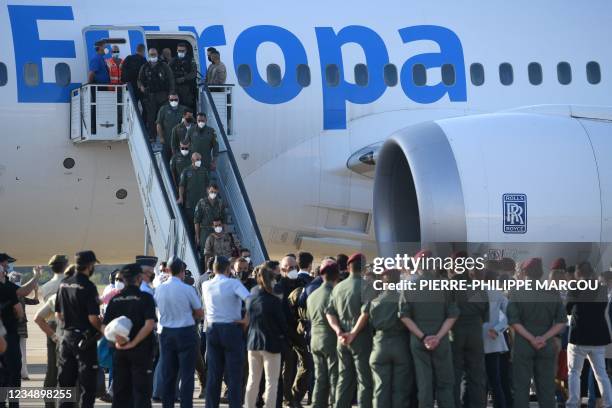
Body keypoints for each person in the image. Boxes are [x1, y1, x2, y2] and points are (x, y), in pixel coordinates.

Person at [399, 250, 458, 408]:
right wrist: (437, 337)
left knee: (424, 384)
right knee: (445, 384)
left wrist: (423, 337)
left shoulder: (409, 287)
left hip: (418, 341)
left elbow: (404, 316)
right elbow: (452, 316)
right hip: (442, 340)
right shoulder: (446, 286)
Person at [507, 258, 566, 408]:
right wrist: (543, 337)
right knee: (546, 388)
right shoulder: (553, 291)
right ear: (541, 273)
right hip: (546, 344)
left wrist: (531, 338)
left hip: (523, 345)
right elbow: (561, 322)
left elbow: (513, 321)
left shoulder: (516, 291)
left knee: (521, 388)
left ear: (524, 272)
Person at [103, 263, 157, 408]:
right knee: (141, 393)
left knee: (120, 393)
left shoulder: (115, 300)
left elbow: (105, 326)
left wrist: (117, 340)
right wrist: (133, 342)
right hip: (141, 351)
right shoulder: (145, 298)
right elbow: (149, 324)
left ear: (123, 279)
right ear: (139, 278)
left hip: (120, 351)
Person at [201, 256, 250, 408]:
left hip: (212, 329)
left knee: (214, 374)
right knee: (234, 374)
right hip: (231, 328)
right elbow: (251, 300)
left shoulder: (206, 284)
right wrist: (246, 320)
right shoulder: (233, 283)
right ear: (229, 269)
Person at [325, 253, 374, 408]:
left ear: (348, 267)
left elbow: (329, 312)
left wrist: (339, 331)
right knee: (364, 380)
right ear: (364, 267)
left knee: (344, 379)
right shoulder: (367, 285)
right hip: (361, 339)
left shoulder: (338, 287)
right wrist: (353, 333)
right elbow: (365, 313)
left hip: (342, 340)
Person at [154, 256, 204, 408]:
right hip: (185, 332)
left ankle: (167, 405)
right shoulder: (187, 289)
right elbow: (199, 312)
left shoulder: (159, 289)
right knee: (187, 374)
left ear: (168, 270)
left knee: (168, 373)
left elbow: (156, 309)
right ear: (182, 272)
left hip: (165, 333)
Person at [55, 250, 103, 408]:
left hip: (66, 337)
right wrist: (103, 330)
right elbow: (93, 318)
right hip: (84, 340)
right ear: (90, 265)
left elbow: (59, 314)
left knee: (66, 385)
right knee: (87, 386)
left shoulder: (64, 283)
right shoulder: (88, 286)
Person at [565, 262, 612, 408]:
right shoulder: (602, 288)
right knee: (601, 374)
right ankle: (608, 402)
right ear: (591, 272)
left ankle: (573, 403)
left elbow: (567, 309)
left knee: (574, 372)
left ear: (578, 273)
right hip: (598, 337)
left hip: (578, 336)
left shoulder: (574, 288)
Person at [366, 269, 414, 408]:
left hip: (379, 344)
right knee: (400, 389)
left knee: (380, 389)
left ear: (382, 281)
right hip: (400, 344)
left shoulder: (375, 301)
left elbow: (371, 324)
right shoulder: (402, 299)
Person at [244, 264, 288, 408]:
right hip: (271, 344)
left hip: (252, 343)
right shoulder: (274, 301)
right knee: (271, 382)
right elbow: (282, 324)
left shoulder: (251, 297)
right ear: (272, 281)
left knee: (253, 380)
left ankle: (249, 405)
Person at [449, 251, 489, 408]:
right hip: (475, 333)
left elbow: (446, 311)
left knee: (454, 374)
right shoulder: (477, 286)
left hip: (455, 332)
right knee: (476, 375)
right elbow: (486, 315)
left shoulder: (449, 285)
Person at [307, 261, 340, 408]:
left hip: (315, 339)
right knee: (334, 377)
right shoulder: (334, 293)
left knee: (320, 378)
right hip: (330, 338)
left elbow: (309, 316)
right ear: (337, 275)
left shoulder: (312, 295)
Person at [0, 254, 26, 408]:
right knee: (14, 371)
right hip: (8, 334)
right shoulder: (8, 288)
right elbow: (19, 310)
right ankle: (14, 403)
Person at [482, 269, 509, 408]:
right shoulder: (499, 294)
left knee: (477, 382)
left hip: (476, 341)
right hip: (494, 341)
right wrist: (497, 330)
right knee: (495, 382)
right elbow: (508, 316)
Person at [138, 47, 175, 137]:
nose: (153, 56)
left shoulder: (164, 66)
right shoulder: (145, 66)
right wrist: (141, 87)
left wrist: (171, 93)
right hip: (150, 96)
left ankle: (165, 136)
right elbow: (139, 80)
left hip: (163, 95)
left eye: (154, 54)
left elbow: (171, 80)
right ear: (148, 55)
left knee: (164, 117)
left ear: (157, 55)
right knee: (151, 118)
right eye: (151, 55)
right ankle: (152, 136)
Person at [178, 152, 210, 237]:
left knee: (201, 224)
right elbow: (181, 186)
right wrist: (181, 197)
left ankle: (199, 243)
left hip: (201, 203)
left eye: (200, 159)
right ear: (192, 160)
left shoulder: (204, 171)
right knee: (191, 225)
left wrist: (209, 198)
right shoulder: (186, 171)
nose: (199, 161)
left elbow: (207, 186)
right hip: (190, 204)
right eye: (197, 160)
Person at [194, 184, 225, 254]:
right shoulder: (201, 203)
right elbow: (196, 221)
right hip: (205, 232)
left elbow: (224, 220)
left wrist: (224, 233)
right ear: (208, 191)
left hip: (217, 231)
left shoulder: (220, 203)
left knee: (217, 252)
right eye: (211, 191)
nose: (213, 194)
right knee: (205, 252)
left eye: (215, 192)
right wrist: (198, 236)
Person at [157, 93, 188, 161]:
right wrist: (161, 137)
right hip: (167, 142)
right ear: (169, 100)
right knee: (166, 161)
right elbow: (159, 124)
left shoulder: (184, 109)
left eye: (175, 99)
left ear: (179, 99)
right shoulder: (163, 109)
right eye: (172, 99)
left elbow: (190, 125)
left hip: (180, 143)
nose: (174, 101)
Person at [170, 43, 197, 110]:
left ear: (186, 51)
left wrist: (184, 78)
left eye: (182, 51)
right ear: (177, 50)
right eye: (179, 50)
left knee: (187, 106)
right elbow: (168, 73)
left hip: (187, 88)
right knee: (175, 105)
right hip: (175, 87)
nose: (181, 52)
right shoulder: (173, 60)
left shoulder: (191, 60)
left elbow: (194, 73)